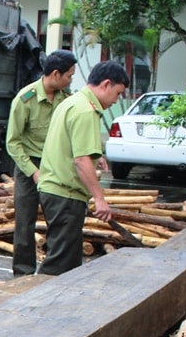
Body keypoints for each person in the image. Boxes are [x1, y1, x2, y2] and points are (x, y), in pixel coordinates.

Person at [37, 60, 130, 276]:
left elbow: (75, 148)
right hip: (65, 194)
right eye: (117, 93)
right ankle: (36, 306)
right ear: (106, 84)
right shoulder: (86, 111)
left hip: (54, 189)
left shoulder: (72, 102)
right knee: (60, 265)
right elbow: (81, 160)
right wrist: (99, 198)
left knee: (65, 259)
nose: (116, 101)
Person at [5, 50, 77, 276]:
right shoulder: (25, 99)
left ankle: (53, 272)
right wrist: (33, 172)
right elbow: (13, 143)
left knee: (58, 220)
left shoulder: (67, 100)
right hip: (30, 167)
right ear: (56, 74)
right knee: (24, 223)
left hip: (57, 167)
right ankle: (22, 274)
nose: (70, 80)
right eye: (69, 76)